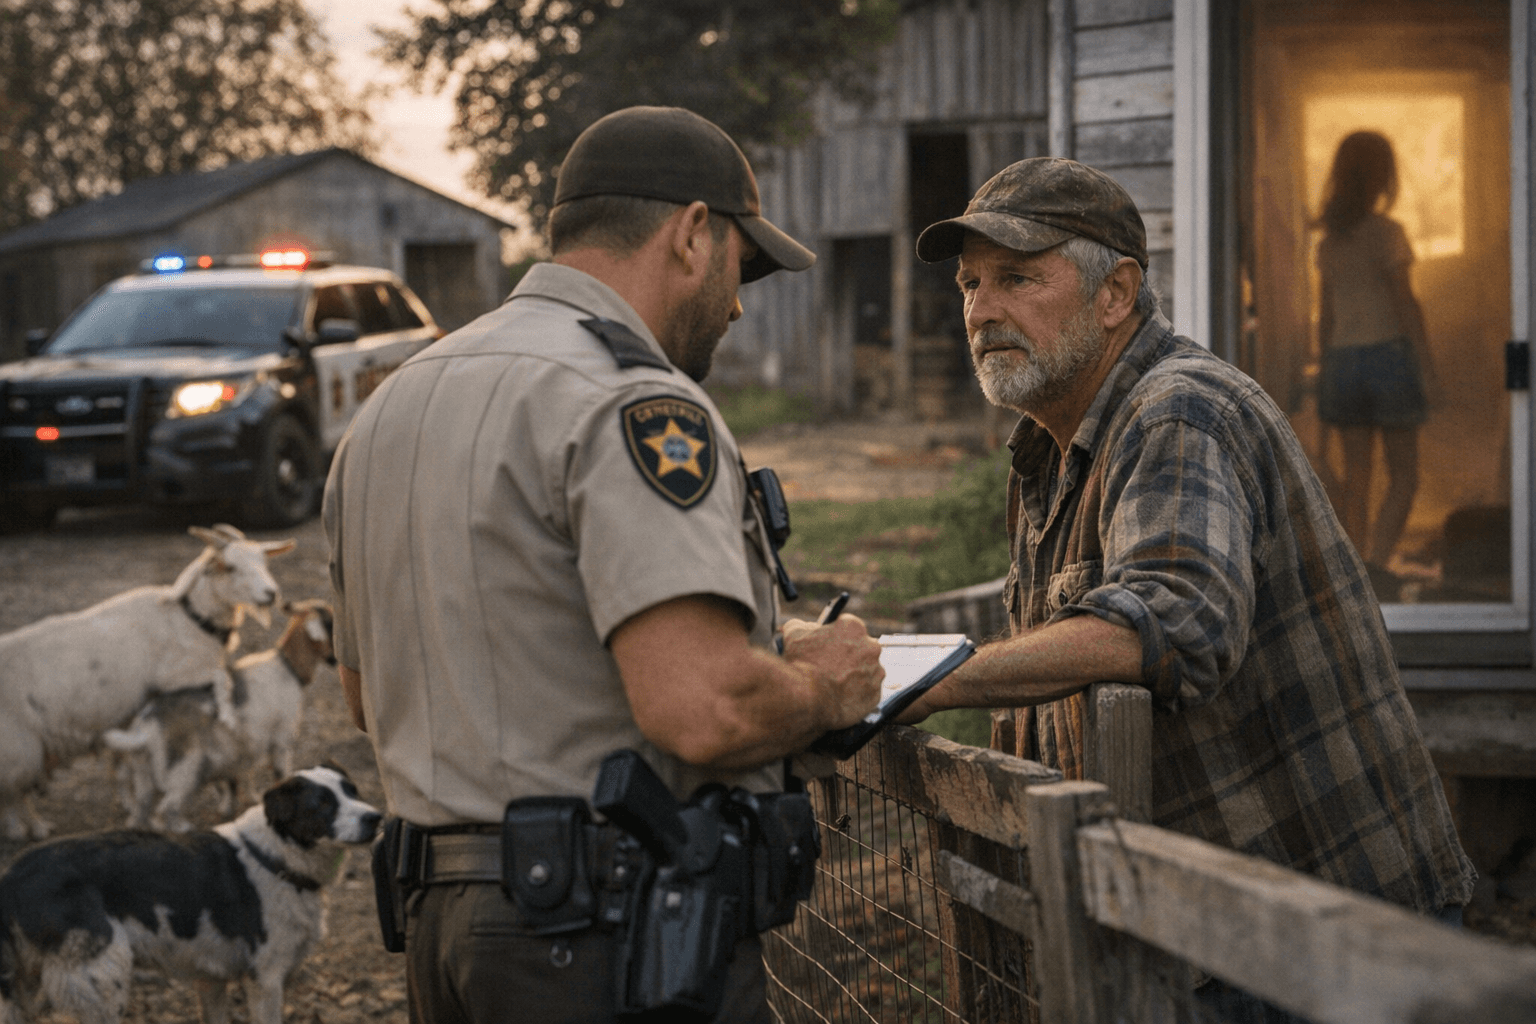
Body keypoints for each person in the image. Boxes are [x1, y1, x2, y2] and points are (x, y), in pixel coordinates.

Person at [323, 105, 885, 1024]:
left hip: (443, 931)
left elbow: (371, 693)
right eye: (743, 269)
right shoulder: (632, 400)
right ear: (694, 234)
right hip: (603, 940)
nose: (740, 304)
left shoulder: (392, 408)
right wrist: (828, 690)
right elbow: (702, 707)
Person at [902, 157, 1474, 1022]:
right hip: (1207, 926)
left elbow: (1176, 618)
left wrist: (922, 679)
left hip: (1324, 931)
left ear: (1115, 294)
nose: (981, 311)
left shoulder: (1179, 410)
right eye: (971, 284)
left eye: (1018, 277)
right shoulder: (1046, 451)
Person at [1315, 130, 1435, 590]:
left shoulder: (1328, 244)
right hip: (1388, 359)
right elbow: (1406, 304)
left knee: (1357, 476)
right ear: (1383, 177)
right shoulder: (1388, 234)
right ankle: (1380, 565)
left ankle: (1355, 573)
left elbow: (1325, 319)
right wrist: (1428, 368)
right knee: (1405, 473)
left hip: (1343, 364)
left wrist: (1325, 371)